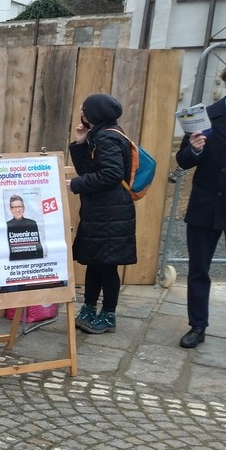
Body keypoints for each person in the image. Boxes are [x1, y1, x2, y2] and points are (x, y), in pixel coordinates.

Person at [175, 57, 226, 352]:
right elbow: (183, 161)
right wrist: (193, 150)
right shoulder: (203, 116)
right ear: (224, 81)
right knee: (198, 269)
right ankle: (198, 325)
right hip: (206, 204)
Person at [67, 93, 136, 334]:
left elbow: (112, 174)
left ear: (94, 114)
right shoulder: (100, 135)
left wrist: (74, 185)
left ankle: (108, 315)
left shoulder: (107, 137)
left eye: (84, 109)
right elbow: (88, 169)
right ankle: (88, 307)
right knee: (95, 262)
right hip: (100, 211)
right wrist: (80, 143)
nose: (82, 113)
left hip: (111, 212)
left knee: (107, 265)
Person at [6, 194, 44, 261]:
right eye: (14, 207)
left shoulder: (32, 223)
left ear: (24, 208)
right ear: (10, 210)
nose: (17, 210)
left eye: (19, 206)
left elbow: (38, 247)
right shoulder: (7, 226)